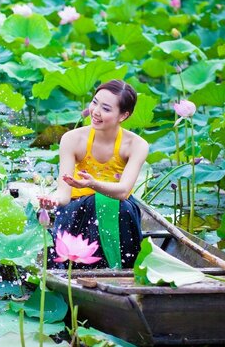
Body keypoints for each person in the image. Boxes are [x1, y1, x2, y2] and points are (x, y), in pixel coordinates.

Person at [38, 79, 149, 269]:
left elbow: (123, 191)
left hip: (119, 210)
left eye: (106, 109)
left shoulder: (136, 145)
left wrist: (92, 184)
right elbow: (64, 195)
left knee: (116, 205)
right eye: (94, 102)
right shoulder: (72, 139)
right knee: (94, 203)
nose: (95, 112)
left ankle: (120, 268)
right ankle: (90, 268)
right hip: (77, 211)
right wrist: (53, 201)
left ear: (123, 115)